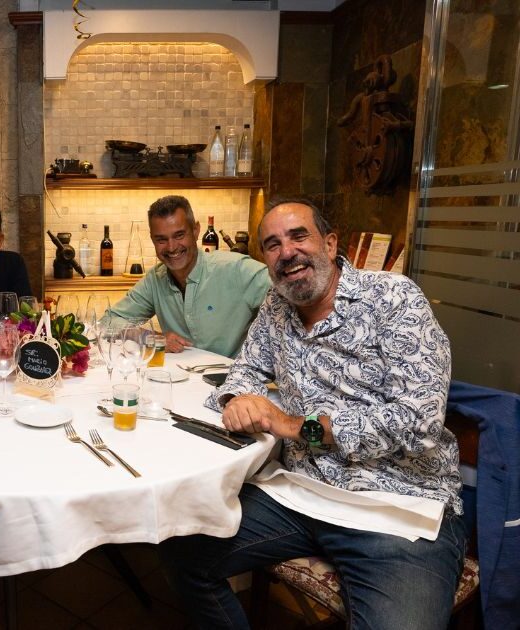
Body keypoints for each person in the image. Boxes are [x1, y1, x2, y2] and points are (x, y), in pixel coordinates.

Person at [160, 198, 465, 629]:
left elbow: (419, 424)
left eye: (298, 236)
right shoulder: (277, 305)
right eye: (272, 244)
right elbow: (245, 370)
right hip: (301, 493)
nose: (287, 252)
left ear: (330, 243)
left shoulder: (393, 298)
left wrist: (289, 425)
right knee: (180, 553)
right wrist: (237, 399)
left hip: (399, 507)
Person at [107, 195, 271, 357]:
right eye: (161, 239)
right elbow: (108, 322)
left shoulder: (236, 269)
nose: (171, 247)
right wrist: (150, 337)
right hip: (176, 374)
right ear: (152, 239)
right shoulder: (155, 280)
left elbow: (284, 293)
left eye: (179, 235)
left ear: (196, 230)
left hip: (232, 373)